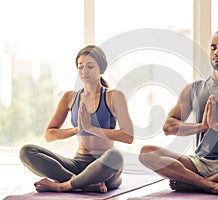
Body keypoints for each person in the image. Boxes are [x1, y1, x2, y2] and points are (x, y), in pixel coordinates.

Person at [139, 29, 218, 196]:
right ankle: (211, 185)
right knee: (147, 153)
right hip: (200, 163)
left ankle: (194, 184)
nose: (217, 52)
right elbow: (168, 126)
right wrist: (202, 126)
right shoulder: (194, 88)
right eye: (213, 47)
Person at [19, 45, 134, 193]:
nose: (84, 71)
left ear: (101, 68)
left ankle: (63, 186)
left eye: (90, 66)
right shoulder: (70, 97)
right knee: (26, 151)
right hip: (79, 164)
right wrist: (77, 130)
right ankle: (82, 183)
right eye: (80, 67)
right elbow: (49, 134)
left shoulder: (114, 96)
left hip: (104, 168)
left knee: (115, 156)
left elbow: (128, 136)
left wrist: (92, 129)